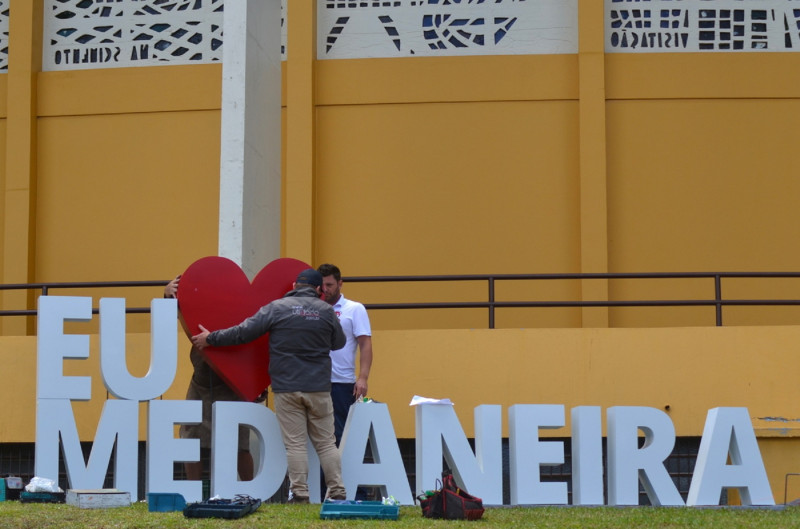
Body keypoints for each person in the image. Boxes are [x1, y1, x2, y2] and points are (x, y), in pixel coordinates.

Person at [190, 268, 347, 504]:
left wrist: (211, 338)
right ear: (318, 289)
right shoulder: (326, 311)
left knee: (295, 444)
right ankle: (337, 491)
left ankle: (301, 494)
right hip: (319, 387)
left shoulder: (276, 308)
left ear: (294, 284)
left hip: (287, 387)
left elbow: (243, 332)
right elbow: (339, 342)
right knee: (326, 443)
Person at [164, 276, 254, 484]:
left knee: (239, 443)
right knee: (190, 436)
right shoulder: (200, 304)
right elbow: (176, 313)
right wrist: (168, 295)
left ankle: (251, 489)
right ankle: (194, 492)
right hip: (201, 382)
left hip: (233, 382)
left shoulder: (240, 309)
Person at [317, 263, 373, 445]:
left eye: (330, 285)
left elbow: (365, 344)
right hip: (314, 381)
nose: (325, 290)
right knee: (316, 435)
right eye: (322, 285)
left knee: (339, 434)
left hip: (341, 382)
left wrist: (363, 378)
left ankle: (337, 474)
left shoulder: (354, 309)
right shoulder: (313, 308)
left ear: (340, 284)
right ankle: (320, 475)